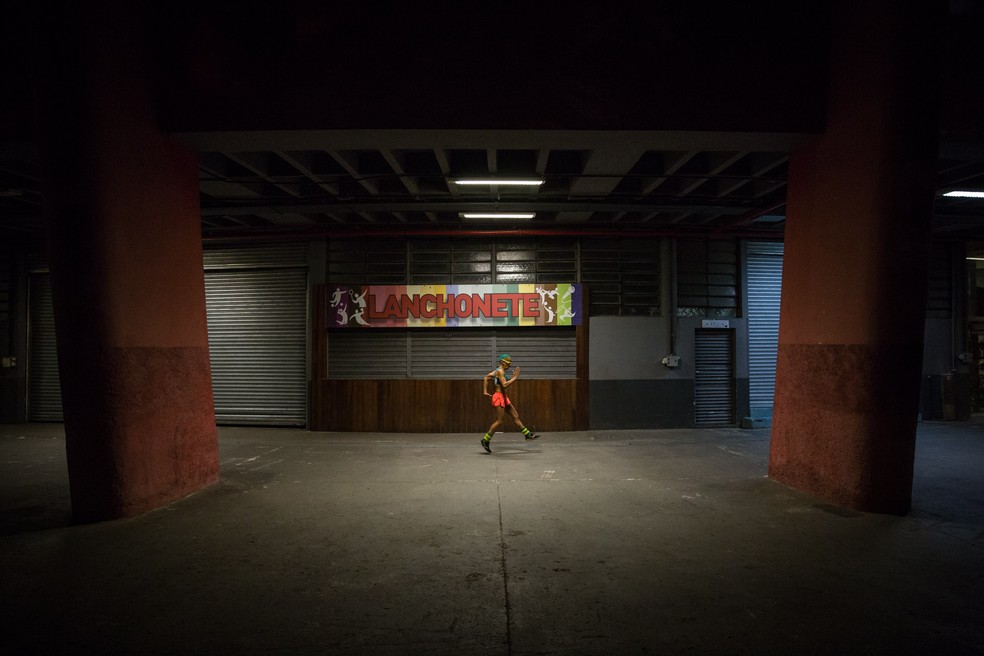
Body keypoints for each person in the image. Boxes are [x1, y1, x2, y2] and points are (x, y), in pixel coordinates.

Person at [481, 353, 539, 452]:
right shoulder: (500, 371)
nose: (509, 365)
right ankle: (485, 440)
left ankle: (527, 434)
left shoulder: (497, 371)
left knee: (515, 415)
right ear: (503, 362)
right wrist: (514, 378)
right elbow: (504, 385)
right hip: (499, 397)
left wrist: (485, 391)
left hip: (503, 397)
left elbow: (486, 378)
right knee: (500, 421)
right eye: (508, 363)